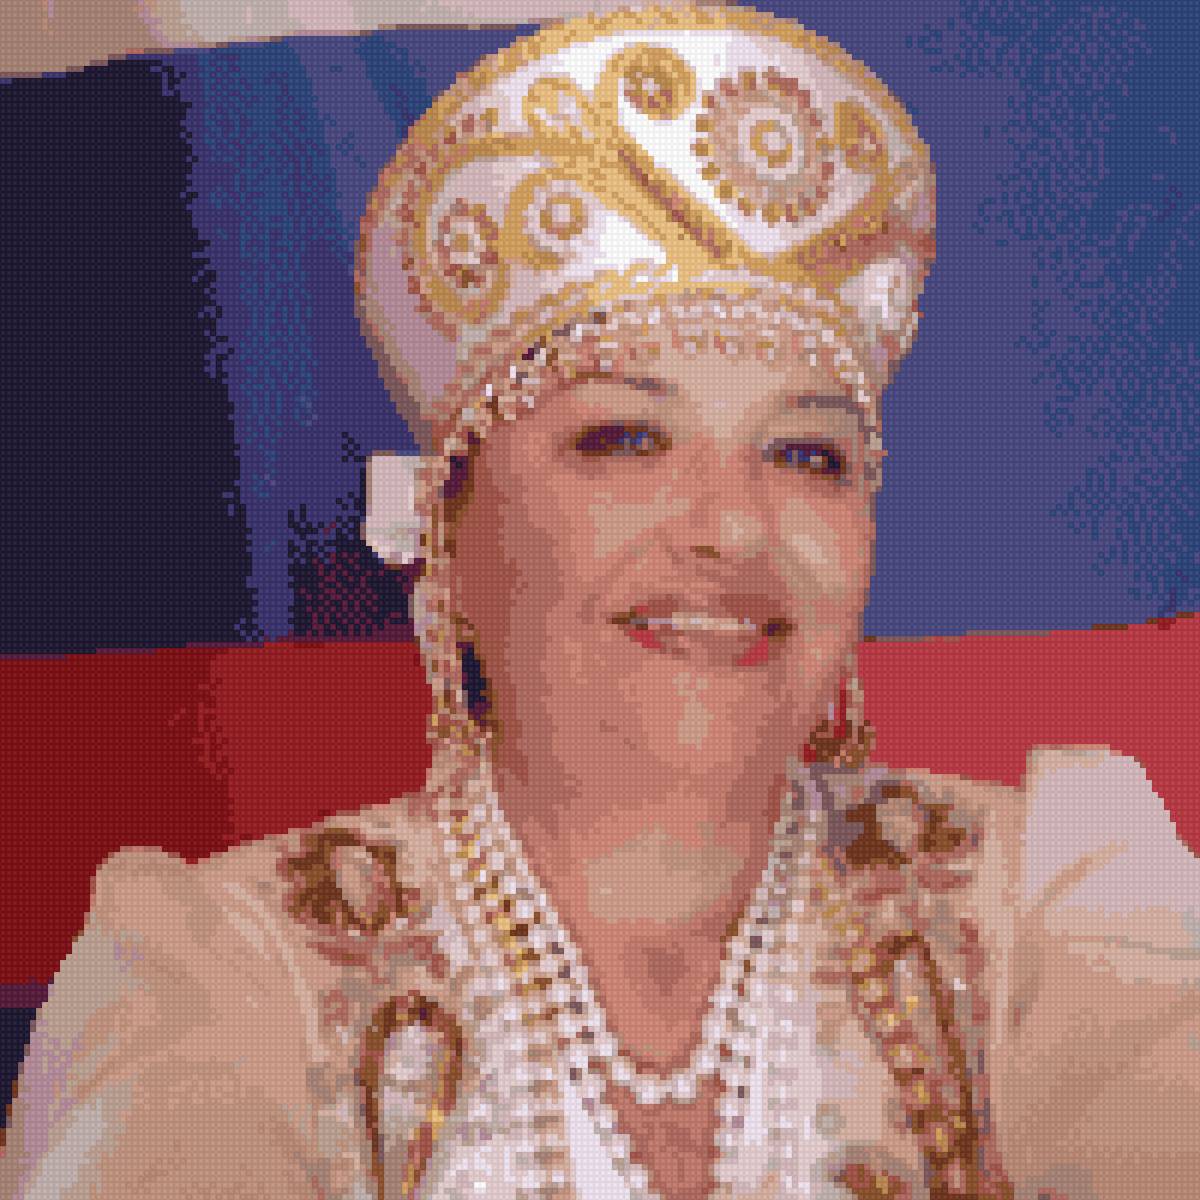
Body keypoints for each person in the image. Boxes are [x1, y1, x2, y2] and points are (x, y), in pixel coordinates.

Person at [3, 4, 1199, 1199]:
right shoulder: (220, 969)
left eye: (806, 454)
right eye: (626, 438)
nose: (733, 526)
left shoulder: (1050, 897)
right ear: (451, 536)